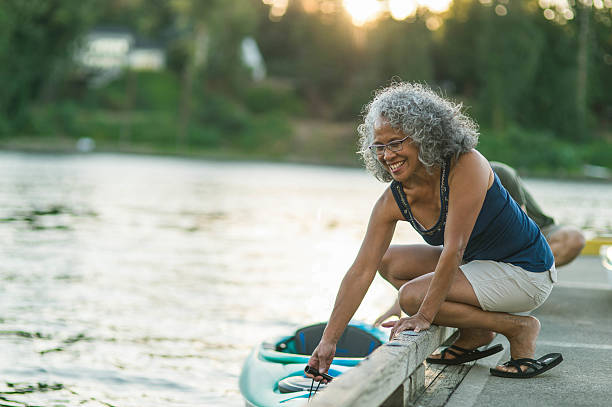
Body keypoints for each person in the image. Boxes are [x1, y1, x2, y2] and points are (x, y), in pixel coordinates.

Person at [305, 82, 562, 382]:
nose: (387, 155)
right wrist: (329, 340)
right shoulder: (393, 200)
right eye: (379, 146)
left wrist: (423, 315)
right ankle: (477, 330)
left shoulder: (465, 165)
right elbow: (362, 270)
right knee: (388, 260)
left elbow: (454, 249)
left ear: (424, 136)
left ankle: (518, 328)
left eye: (396, 143)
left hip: (526, 272)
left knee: (412, 298)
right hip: (479, 266)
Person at [374, 162, 586, 326]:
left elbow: (518, 231)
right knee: (393, 264)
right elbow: (455, 245)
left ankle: (513, 297)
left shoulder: (497, 172)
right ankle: (472, 315)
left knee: (574, 238)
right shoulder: (441, 184)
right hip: (476, 248)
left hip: (533, 234)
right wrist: (400, 304)